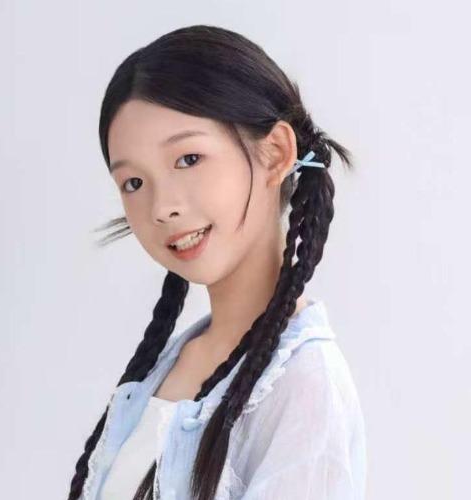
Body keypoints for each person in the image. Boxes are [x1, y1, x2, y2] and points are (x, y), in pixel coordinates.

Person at [67, 24, 367, 500]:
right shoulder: (175, 358)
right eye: (134, 183)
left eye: (188, 159)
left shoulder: (305, 386)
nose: (162, 207)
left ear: (275, 153)